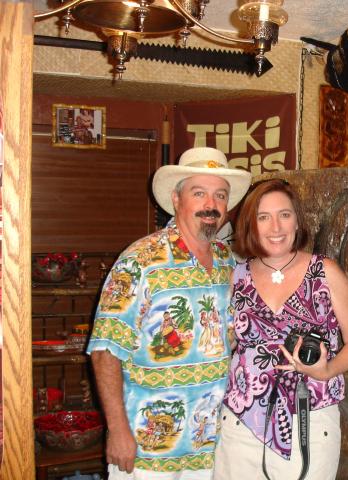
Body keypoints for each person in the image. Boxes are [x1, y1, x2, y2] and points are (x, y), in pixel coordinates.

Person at [86, 147, 251, 479]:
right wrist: (117, 430)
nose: (211, 204)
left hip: (211, 448)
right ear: (176, 199)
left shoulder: (229, 262)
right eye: (199, 193)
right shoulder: (140, 261)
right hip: (147, 450)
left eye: (220, 195)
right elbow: (105, 350)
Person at [213, 179, 348, 479]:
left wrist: (327, 370)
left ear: (297, 221)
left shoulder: (324, 272)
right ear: (251, 225)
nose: (276, 227)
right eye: (263, 217)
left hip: (310, 418)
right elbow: (224, 342)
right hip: (241, 421)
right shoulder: (236, 277)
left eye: (284, 215)